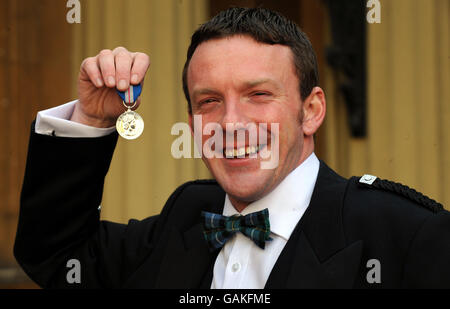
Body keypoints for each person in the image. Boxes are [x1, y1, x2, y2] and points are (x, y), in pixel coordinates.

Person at [14, 7, 450, 289]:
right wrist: (92, 119)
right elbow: (57, 256)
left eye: (258, 95)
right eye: (209, 101)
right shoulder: (183, 217)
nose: (231, 124)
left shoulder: (408, 235)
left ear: (312, 110)